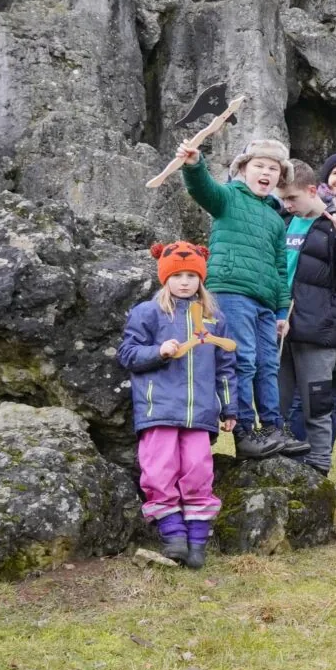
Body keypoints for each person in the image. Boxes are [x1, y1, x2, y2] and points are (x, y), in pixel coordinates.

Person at [171, 134, 304, 459]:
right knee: (242, 360)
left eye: (273, 168)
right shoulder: (228, 196)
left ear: (280, 177)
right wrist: (194, 164)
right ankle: (244, 432)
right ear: (243, 169)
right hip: (231, 292)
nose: (266, 172)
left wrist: (281, 312)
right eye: (259, 165)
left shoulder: (275, 218)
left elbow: (280, 268)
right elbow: (202, 189)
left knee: (268, 364)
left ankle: (272, 427)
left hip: (265, 302)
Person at [118, 241, 235, 569]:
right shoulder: (148, 312)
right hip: (158, 411)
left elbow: (226, 367)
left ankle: (197, 542)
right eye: (177, 275)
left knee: (198, 472)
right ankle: (173, 537)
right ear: (165, 278)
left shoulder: (214, 318)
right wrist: (158, 352)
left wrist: (230, 408)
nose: (184, 282)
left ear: (201, 279)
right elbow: (127, 354)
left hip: (200, 414)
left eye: (191, 275)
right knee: (159, 471)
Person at [276, 161, 336, 475]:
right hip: (279, 329)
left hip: (318, 331)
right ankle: (278, 468)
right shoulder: (283, 220)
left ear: (311, 190)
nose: (287, 204)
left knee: (317, 406)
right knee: (276, 405)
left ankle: (318, 467)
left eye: (291, 198)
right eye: (283, 198)